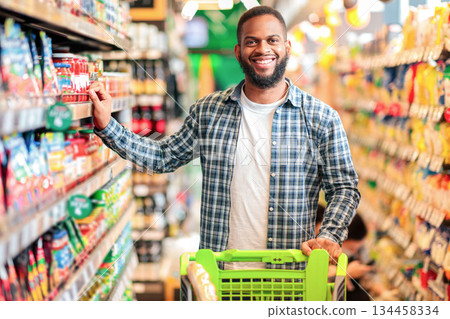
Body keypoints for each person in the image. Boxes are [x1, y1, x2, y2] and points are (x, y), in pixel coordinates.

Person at [89, 6, 360, 270]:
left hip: (288, 277)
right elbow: (163, 157)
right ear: (238, 51)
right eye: (251, 41)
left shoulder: (321, 118)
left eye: (272, 40)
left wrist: (330, 235)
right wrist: (108, 125)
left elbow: (344, 188)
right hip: (220, 275)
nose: (263, 49)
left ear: (287, 47)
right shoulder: (208, 111)